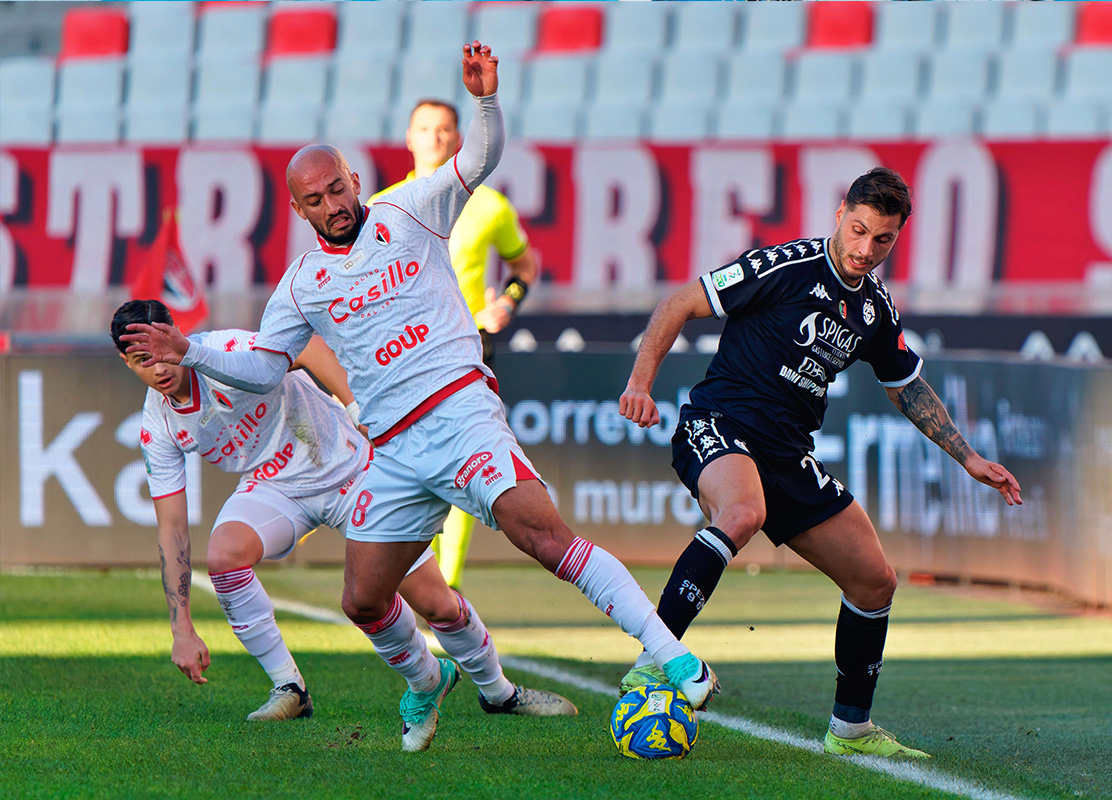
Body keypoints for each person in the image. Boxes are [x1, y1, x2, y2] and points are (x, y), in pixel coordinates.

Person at [121, 42, 718, 753]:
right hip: (391, 451)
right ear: (297, 207)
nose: (334, 205)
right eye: (316, 199)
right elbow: (263, 365)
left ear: (353, 176)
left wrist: (486, 101)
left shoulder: (411, 208)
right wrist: (189, 349)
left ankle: (675, 656)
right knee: (364, 599)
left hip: (458, 411)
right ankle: (428, 682)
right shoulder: (303, 284)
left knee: (544, 537)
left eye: (338, 188)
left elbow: (480, 160)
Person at [618, 167, 1023, 760]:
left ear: (897, 237)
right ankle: (654, 661)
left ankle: (850, 731)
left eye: (881, 240)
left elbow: (906, 386)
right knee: (742, 512)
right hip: (721, 423)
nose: (865, 250)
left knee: (874, 581)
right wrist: (640, 383)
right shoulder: (783, 266)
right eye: (858, 230)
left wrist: (967, 456)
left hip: (788, 455)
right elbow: (680, 302)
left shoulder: (876, 310)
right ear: (839, 213)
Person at [113, 299, 577, 725]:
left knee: (435, 602)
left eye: (162, 352)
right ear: (126, 363)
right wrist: (182, 629)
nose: (159, 368)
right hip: (277, 486)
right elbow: (172, 529)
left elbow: (310, 347)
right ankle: (291, 687)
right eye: (141, 361)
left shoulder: (224, 350)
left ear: (175, 335)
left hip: (351, 466)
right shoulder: (159, 427)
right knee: (224, 558)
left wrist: (358, 408)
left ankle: (499, 692)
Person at [367, 97, 540, 591]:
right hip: (406, 352)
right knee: (414, 465)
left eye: (444, 129)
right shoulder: (381, 204)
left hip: (468, 347)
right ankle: (422, 577)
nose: (435, 137)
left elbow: (525, 266)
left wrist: (508, 300)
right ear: (409, 137)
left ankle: (448, 582)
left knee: (469, 460)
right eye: (425, 128)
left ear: (457, 138)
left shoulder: (487, 204)